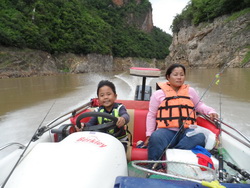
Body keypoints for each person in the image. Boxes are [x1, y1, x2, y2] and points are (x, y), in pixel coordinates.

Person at [144, 63, 218, 163]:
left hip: (187, 131)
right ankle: (153, 166)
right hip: (167, 131)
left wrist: (211, 111)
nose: (179, 77)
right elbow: (151, 115)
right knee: (156, 137)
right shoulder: (158, 94)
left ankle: (171, 160)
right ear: (168, 77)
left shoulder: (191, 91)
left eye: (182, 74)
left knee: (199, 137)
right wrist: (149, 135)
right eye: (175, 74)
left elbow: (199, 105)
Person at [76, 80, 130, 149]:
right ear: (98, 99)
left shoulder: (120, 108)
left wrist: (123, 119)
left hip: (120, 141)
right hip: (103, 141)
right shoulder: (97, 111)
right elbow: (90, 124)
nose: (105, 97)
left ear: (115, 96)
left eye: (108, 94)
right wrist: (83, 125)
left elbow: (126, 116)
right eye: (102, 95)